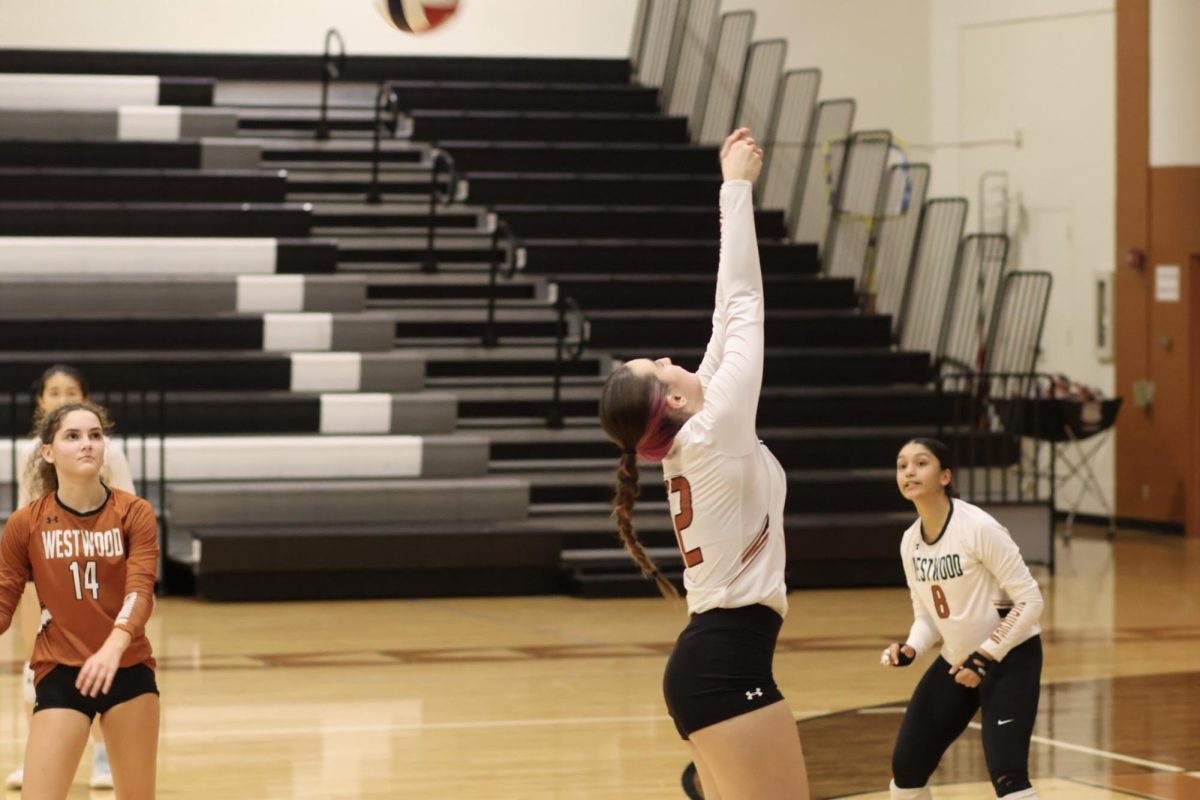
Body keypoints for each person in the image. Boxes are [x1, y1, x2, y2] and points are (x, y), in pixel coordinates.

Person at [598, 128, 810, 799]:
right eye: (658, 367)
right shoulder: (715, 430)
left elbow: (725, 316)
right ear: (670, 400)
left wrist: (731, 191)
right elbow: (744, 306)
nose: (668, 359)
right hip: (724, 670)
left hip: (713, 665)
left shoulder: (700, 428)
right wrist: (736, 187)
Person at [0, 402, 157, 799]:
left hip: (127, 669)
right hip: (61, 672)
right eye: (72, 436)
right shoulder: (25, 524)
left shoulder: (134, 513)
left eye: (95, 435)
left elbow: (140, 591)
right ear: (48, 452)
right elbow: (3, 603)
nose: (87, 443)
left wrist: (113, 648)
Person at [882, 438, 1045, 800]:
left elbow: (1030, 600)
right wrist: (911, 647)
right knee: (906, 770)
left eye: (921, 463)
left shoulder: (979, 528)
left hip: (1009, 658)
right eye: (902, 465)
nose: (909, 472)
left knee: (1008, 776)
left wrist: (984, 656)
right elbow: (927, 616)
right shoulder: (910, 542)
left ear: (945, 476)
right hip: (957, 661)